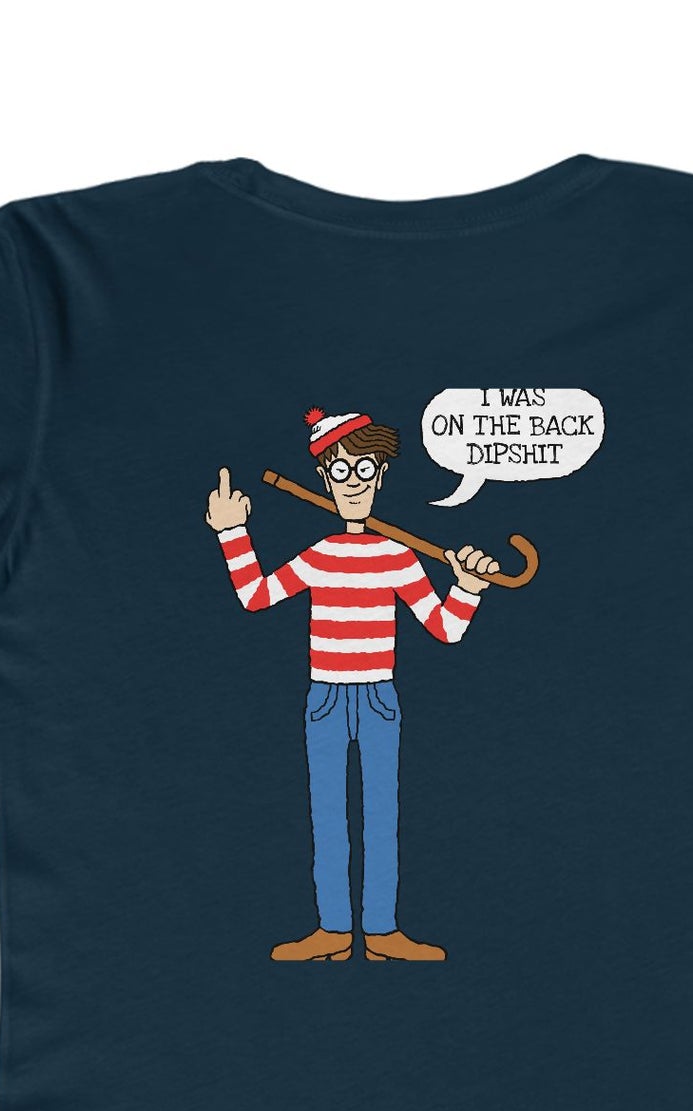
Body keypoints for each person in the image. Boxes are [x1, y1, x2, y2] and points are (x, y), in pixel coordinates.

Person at [205, 407, 500, 960]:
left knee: (381, 816)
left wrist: (467, 587)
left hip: (380, 698)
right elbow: (256, 596)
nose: (353, 483)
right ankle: (335, 931)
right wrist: (232, 532)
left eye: (364, 469)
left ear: (380, 476)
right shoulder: (320, 555)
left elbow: (445, 629)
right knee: (328, 817)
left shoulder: (399, 557)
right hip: (325, 698)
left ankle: (383, 932)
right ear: (325, 479)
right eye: (340, 471)